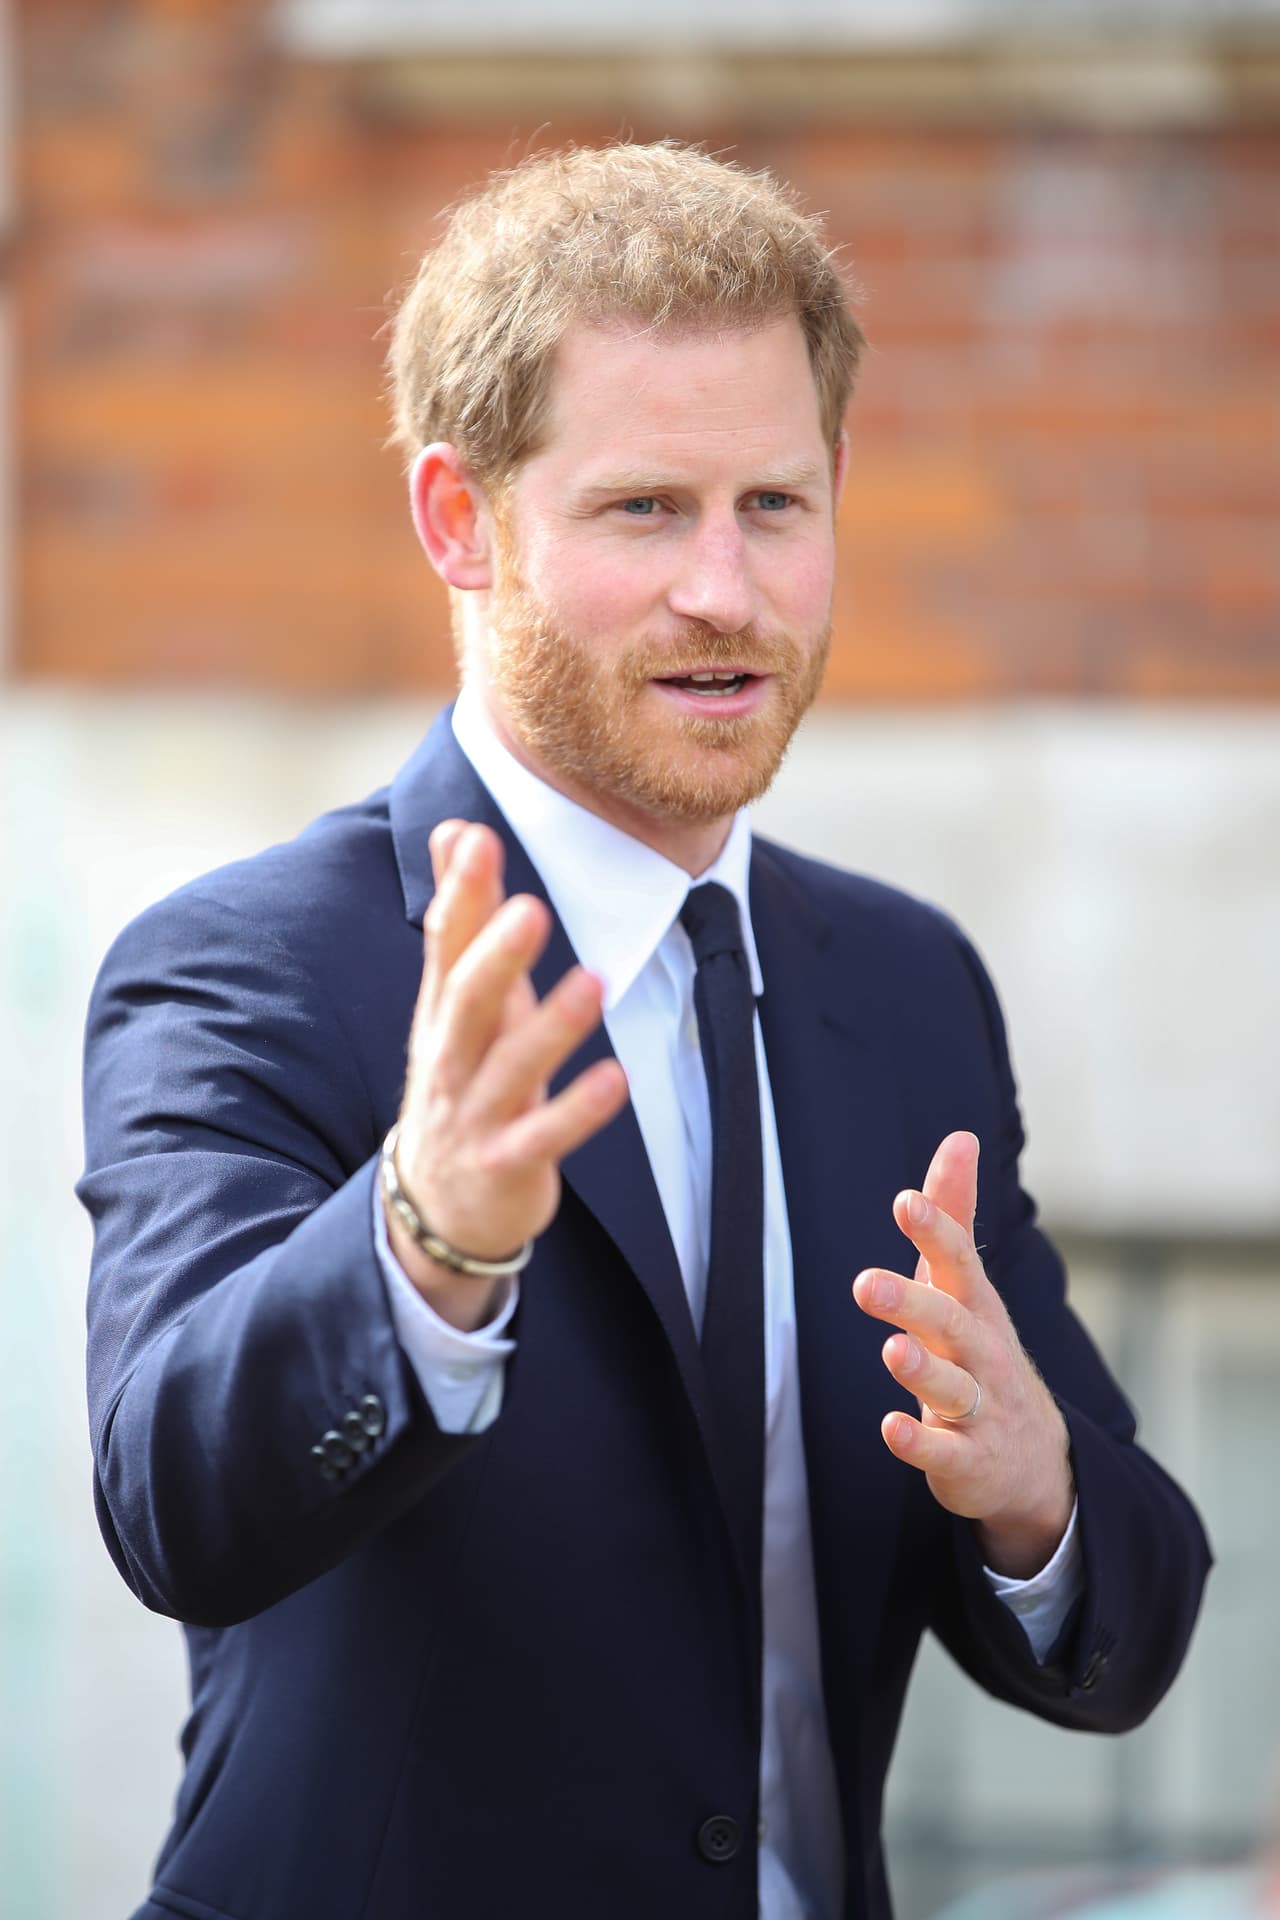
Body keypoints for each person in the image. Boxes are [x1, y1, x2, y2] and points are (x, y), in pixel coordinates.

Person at [79, 142, 1211, 1920]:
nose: (726, 592)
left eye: (774, 505)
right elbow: (173, 1503)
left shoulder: (908, 987)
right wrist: (422, 1247)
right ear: (460, 519)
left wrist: (1037, 1493)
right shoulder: (247, 969)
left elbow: (1138, 1619)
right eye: (643, 511)